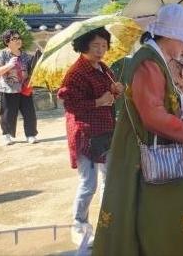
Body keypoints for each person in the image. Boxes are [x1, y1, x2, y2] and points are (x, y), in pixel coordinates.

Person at [93, 4, 183, 256]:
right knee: (154, 214)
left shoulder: (157, 58)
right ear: (170, 36)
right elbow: (153, 115)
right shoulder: (148, 63)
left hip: (154, 148)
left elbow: (172, 99)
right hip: (145, 155)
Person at [57, 27, 124, 247]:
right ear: (84, 45)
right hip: (85, 133)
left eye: (104, 45)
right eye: (95, 45)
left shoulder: (103, 68)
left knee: (108, 180)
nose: (100, 50)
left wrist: (116, 90)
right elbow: (70, 104)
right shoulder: (76, 72)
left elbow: (110, 94)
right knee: (89, 183)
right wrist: (98, 101)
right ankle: (79, 226)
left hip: (105, 129)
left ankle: (109, 222)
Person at [0, 29, 38, 145]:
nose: (18, 40)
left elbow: (32, 71)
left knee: (29, 113)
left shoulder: (26, 56)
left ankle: (30, 135)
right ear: (7, 41)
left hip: (25, 88)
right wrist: (9, 65)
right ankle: (7, 135)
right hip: (7, 89)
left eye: (19, 38)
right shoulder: (2, 54)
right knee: (8, 114)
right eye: (14, 39)